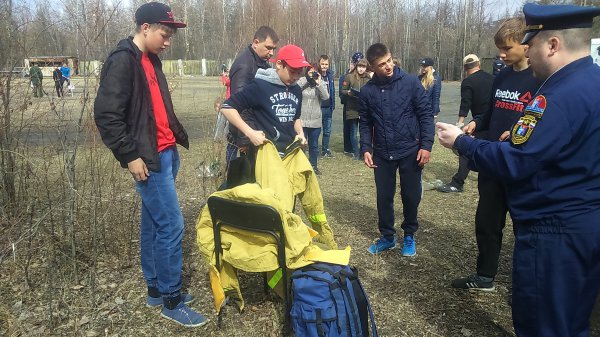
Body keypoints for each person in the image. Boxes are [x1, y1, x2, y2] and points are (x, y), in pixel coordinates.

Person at [437, 4, 600, 336]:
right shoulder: (592, 81)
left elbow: (515, 161)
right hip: (583, 223)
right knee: (571, 320)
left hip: (555, 232)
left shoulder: (558, 95)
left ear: (552, 45)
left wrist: (461, 144)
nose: (528, 51)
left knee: (545, 324)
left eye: (531, 43)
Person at [93, 2, 207, 327]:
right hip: (148, 160)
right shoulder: (122, 62)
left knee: (154, 225)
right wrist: (129, 155)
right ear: (145, 28)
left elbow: (154, 108)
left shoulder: (151, 60)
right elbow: (106, 115)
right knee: (172, 225)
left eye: (170, 35)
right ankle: (172, 300)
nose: (168, 41)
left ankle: (156, 289)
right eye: (164, 33)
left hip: (167, 154)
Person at [450, 17, 542, 291]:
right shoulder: (501, 76)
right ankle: (485, 276)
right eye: (499, 48)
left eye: (507, 48)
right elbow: (492, 110)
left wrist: (517, 131)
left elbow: (540, 119)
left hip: (519, 166)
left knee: (524, 230)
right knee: (487, 222)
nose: (501, 54)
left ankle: (526, 286)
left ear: (525, 46)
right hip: (493, 162)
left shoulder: (540, 79)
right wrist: (478, 122)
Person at [359, 43, 434, 257]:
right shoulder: (367, 92)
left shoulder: (411, 82)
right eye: (382, 64)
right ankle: (387, 237)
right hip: (382, 153)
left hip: (410, 149)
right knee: (384, 197)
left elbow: (425, 115)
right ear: (372, 68)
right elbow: (365, 123)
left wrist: (426, 146)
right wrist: (366, 147)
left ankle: (409, 234)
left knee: (410, 195)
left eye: (389, 60)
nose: (388, 66)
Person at [437, 54, 494, 193]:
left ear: (464, 68)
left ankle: (457, 183)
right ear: (479, 63)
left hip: (480, 122)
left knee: (465, 150)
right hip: (494, 119)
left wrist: (459, 124)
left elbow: (465, 104)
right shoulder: (493, 78)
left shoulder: (468, 82)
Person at [227, 26, 279, 155]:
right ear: (256, 43)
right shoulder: (244, 66)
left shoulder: (261, 64)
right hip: (246, 135)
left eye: (274, 49)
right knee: (243, 174)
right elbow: (238, 105)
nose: (272, 53)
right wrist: (245, 138)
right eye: (269, 48)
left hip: (257, 131)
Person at [298, 65, 329, 174]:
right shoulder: (301, 81)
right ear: (306, 72)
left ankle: (313, 165)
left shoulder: (321, 83)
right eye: (310, 72)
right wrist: (306, 82)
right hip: (301, 119)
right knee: (301, 144)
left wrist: (318, 83)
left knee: (314, 145)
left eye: (315, 72)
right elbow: (295, 91)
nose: (312, 75)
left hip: (315, 120)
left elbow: (326, 97)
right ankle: (300, 166)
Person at [340, 58, 370, 159]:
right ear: (356, 67)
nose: (361, 69)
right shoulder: (349, 77)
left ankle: (363, 152)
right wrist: (348, 92)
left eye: (363, 67)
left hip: (364, 108)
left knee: (363, 132)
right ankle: (355, 152)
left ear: (366, 68)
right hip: (352, 107)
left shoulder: (368, 78)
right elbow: (343, 90)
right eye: (359, 66)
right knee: (353, 131)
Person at [339, 51, 364, 155]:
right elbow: (342, 91)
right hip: (349, 105)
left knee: (361, 130)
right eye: (356, 63)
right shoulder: (346, 76)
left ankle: (361, 150)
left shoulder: (366, 76)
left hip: (361, 106)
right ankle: (348, 148)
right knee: (349, 128)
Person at [318, 54, 335, 157]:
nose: (324, 66)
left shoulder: (330, 75)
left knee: (327, 130)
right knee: (317, 131)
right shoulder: (316, 75)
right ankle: (314, 149)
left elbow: (332, 90)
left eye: (326, 64)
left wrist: (332, 105)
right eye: (322, 64)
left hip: (328, 107)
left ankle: (325, 149)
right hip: (318, 107)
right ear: (319, 64)